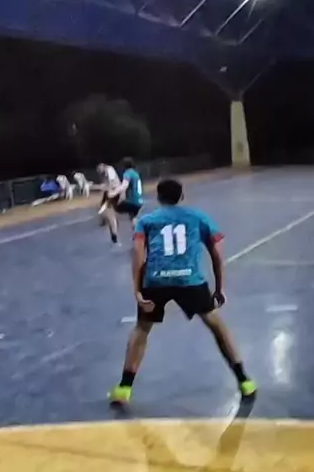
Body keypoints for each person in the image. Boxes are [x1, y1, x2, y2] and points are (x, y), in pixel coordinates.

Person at [108, 178, 257, 404]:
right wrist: (219, 288)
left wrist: (137, 291)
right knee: (217, 325)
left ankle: (124, 388)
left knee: (142, 329)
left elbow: (138, 256)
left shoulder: (146, 221)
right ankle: (244, 380)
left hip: (156, 280)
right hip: (190, 280)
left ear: (158, 197)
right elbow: (216, 254)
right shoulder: (198, 217)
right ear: (182, 196)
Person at [97, 163, 122, 243]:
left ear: (103, 167)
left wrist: (108, 191)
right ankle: (107, 221)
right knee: (103, 207)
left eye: (100, 170)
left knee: (109, 210)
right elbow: (105, 184)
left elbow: (111, 182)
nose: (99, 172)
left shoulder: (109, 169)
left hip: (114, 191)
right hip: (110, 191)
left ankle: (114, 231)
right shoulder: (105, 173)